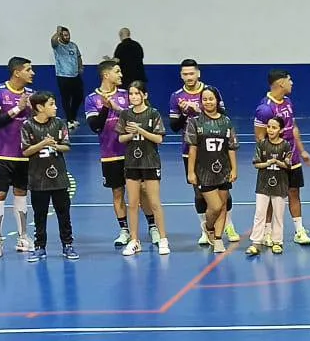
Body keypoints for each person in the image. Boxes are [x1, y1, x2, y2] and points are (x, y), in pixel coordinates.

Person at [85, 57, 155, 248]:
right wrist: (105, 109)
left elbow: (140, 117)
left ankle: (152, 226)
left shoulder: (127, 94)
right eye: (117, 71)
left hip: (134, 152)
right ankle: (124, 230)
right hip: (110, 153)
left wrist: (117, 108)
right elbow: (95, 126)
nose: (121, 75)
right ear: (106, 75)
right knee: (117, 193)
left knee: (142, 190)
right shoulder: (92, 99)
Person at [255, 69, 310, 245]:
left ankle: (299, 230)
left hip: (292, 158)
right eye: (289, 80)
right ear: (281, 83)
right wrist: (270, 159)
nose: (292, 83)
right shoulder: (265, 108)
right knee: (271, 196)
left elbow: (293, 127)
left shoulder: (288, 102)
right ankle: (267, 233)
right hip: (274, 161)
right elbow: (260, 137)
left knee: (294, 192)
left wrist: (301, 151)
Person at [0, 56, 36, 258]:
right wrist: (18, 108)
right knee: (0, 194)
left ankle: (23, 237)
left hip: (24, 154)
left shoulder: (32, 94)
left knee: (21, 193)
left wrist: (34, 110)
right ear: (17, 72)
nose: (32, 73)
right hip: (1, 154)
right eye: (28, 69)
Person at [20, 91, 77, 262]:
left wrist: (56, 146)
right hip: (38, 178)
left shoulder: (59, 123)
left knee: (64, 213)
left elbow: (67, 146)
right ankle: (40, 247)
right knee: (40, 214)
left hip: (59, 177)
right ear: (39, 107)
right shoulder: (28, 126)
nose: (55, 107)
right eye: (51, 104)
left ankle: (67, 244)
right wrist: (43, 143)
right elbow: (26, 151)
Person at [117, 79, 170, 256]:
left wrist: (140, 131)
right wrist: (130, 134)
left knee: (154, 202)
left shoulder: (153, 114)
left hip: (150, 162)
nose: (133, 97)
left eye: (136, 94)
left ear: (144, 95)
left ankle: (163, 239)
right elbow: (121, 138)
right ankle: (134, 241)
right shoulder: (125, 114)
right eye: (130, 94)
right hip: (132, 162)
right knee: (132, 203)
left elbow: (159, 139)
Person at [170, 59, 219, 246]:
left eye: (192, 73)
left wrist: (200, 110)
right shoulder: (176, 96)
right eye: (185, 74)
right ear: (181, 76)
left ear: (198, 73)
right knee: (199, 192)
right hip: (190, 150)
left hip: (214, 149)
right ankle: (205, 229)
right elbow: (174, 127)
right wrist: (184, 114)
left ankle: (226, 226)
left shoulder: (210, 91)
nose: (189, 77)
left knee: (222, 191)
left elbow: (223, 115)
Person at [183, 86, 237, 255]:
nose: (208, 102)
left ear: (217, 101)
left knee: (223, 206)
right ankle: (208, 226)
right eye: (204, 99)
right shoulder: (195, 122)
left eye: (211, 99)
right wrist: (191, 172)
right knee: (215, 206)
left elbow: (231, 148)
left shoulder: (226, 121)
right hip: (204, 171)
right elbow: (192, 149)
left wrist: (234, 169)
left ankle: (218, 239)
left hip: (223, 169)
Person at [248, 117, 292, 256]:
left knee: (278, 215)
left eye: (274, 127)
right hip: (263, 184)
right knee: (260, 214)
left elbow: (288, 165)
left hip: (280, 184)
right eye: (269, 127)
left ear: (281, 130)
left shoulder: (286, 145)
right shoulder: (262, 144)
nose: (270, 130)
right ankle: (256, 242)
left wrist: (278, 162)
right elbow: (256, 164)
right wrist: (267, 163)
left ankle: (277, 242)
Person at [50, 25, 83, 122]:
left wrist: (80, 67)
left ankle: (73, 116)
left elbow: (78, 57)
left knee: (79, 97)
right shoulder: (57, 46)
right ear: (60, 36)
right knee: (66, 98)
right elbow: (53, 41)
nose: (67, 37)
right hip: (63, 76)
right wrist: (57, 32)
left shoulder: (73, 45)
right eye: (64, 35)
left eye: (68, 35)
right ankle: (69, 120)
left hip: (75, 75)